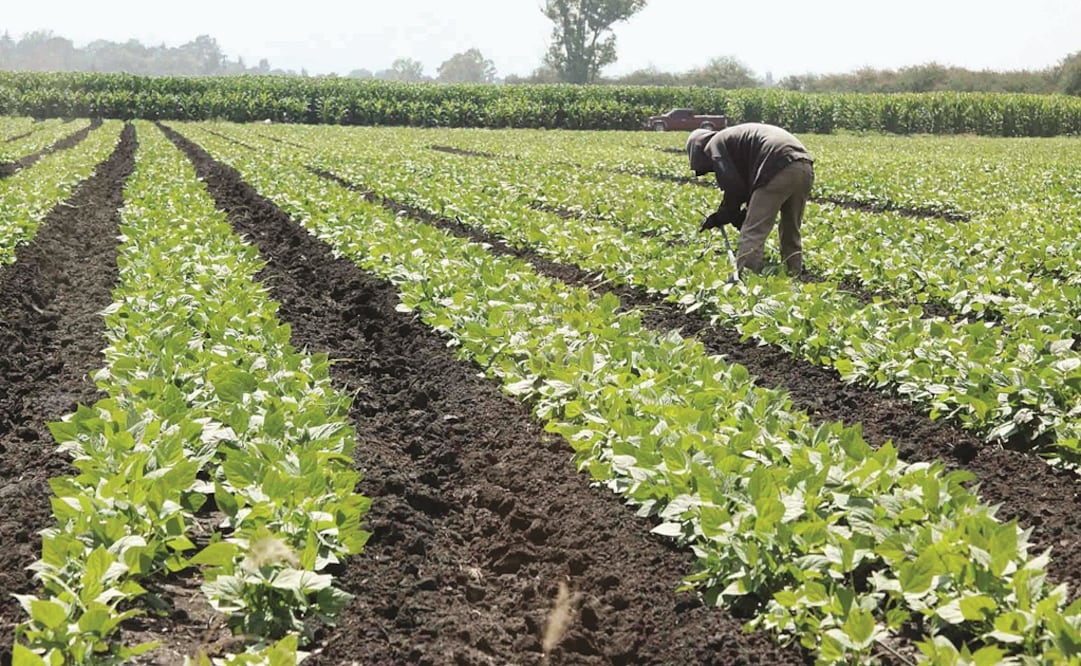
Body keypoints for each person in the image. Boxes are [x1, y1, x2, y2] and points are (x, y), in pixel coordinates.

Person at [686, 123, 814, 276]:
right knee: (790, 228)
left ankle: (746, 279)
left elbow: (733, 186)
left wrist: (724, 214)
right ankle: (794, 272)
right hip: (804, 166)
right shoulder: (733, 139)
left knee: (753, 231)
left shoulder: (715, 144)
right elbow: (744, 185)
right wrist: (734, 212)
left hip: (776, 166)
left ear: (698, 149)